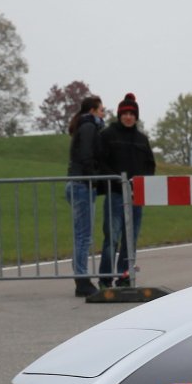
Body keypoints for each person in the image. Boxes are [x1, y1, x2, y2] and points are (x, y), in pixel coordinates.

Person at [96, 93, 156, 288]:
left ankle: (124, 276)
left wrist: (141, 184)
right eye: (125, 113)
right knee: (112, 238)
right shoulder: (107, 135)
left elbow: (150, 165)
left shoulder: (142, 139)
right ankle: (105, 278)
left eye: (132, 114)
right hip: (115, 194)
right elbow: (100, 162)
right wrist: (118, 182)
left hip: (136, 196)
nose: (128, 117)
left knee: (131, 239)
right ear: (120, 115)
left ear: (136, 116)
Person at [65, 95, 105, 297]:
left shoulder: (84, 126)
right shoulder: (89, 127)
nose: (103, 114)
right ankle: (82, 280)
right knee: (84, 236)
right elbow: (87, 155)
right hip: (83, 184)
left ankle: (81, 277)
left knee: (82, 235)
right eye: (101, 110)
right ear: (92, 111)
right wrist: (94, 178)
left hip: (79, 183)